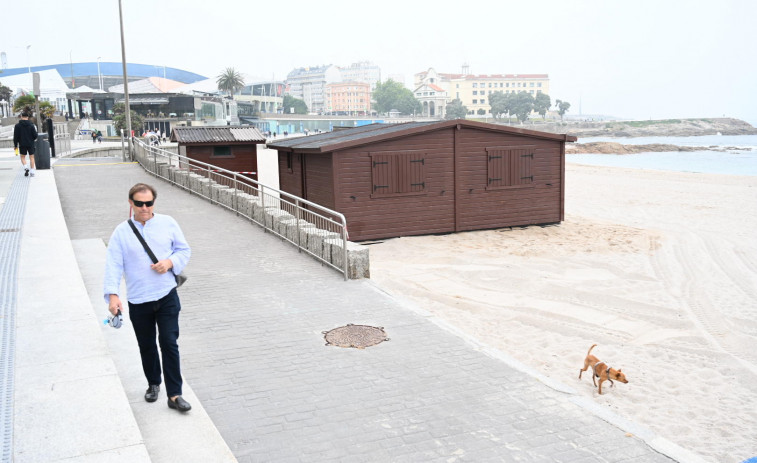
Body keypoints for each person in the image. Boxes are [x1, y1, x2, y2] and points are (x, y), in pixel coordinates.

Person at [103, 183, 192, 412]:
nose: (144, 208)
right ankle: (154, 383)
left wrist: (169, 262)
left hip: (166, 295)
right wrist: (113, 296)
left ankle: (175, 394)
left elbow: (184, 250)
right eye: (139, 203)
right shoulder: (121, 232)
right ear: (131, 203)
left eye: (149, 203)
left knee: (169, 342)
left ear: (154, 202)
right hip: (138, 299)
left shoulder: (168, 223)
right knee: (147, 345)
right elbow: (113, 265)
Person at [13, 111, 37, 177]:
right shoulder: (32, 125)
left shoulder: (17, 126)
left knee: (22, 157)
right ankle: (32, 172)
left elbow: (15, 137)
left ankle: (26, 168)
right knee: (31, 157)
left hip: (22, 144)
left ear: (21, 117)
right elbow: (35, 135)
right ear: (27, 117)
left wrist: (15, 145)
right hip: (31, 144)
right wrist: (32, 139)